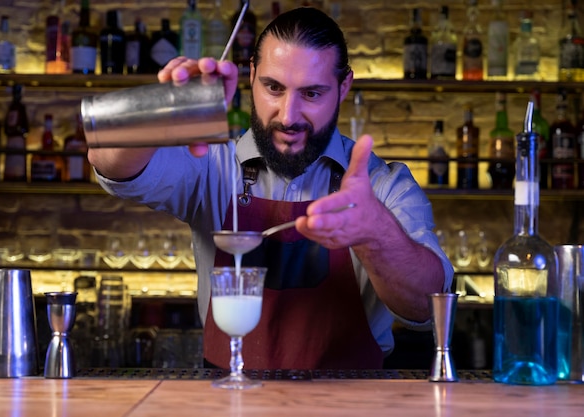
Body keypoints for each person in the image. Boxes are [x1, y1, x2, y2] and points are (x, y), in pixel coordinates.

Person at [88, 7, 454, 370]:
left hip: (350, 400)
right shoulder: (211, 166)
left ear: (344, 87)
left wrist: (376, 232)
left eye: (311, 94)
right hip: (228, 397)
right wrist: (160, 108)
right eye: (274, 88)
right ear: (251, 76)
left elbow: (426, 306)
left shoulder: (383, 185)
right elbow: (106, 160)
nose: (288, 115)